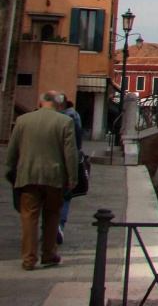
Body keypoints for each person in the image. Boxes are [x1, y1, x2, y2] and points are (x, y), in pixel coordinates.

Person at [4, 90, 78, 270]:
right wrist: (72, 179)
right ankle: (48, 254)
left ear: (40, 103)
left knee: (29, 217)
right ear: (58, 105)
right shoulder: (65, 122)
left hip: (28, 175)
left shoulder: (22, 121)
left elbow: (12, 150)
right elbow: (70, 154)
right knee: (52, 216)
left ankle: (29, 259)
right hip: (54, 177)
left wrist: (9, 172)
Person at [58, 98, 84, 245]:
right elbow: (76, 145)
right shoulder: (74, 116)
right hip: (66, 163)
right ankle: (59, 224)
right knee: (66, 195)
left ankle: (47, 228)